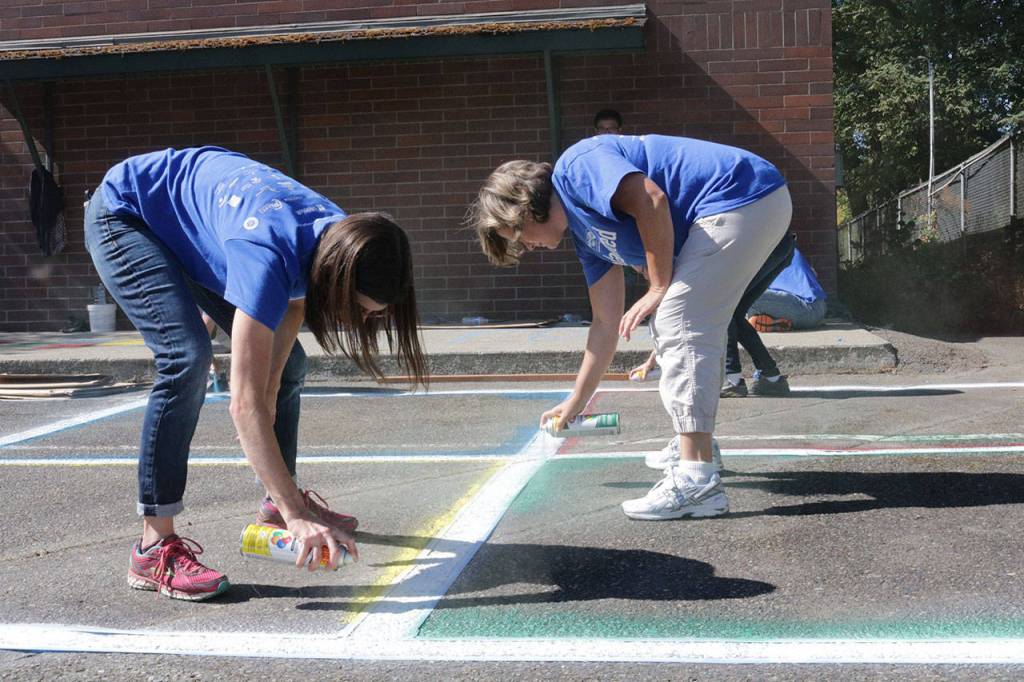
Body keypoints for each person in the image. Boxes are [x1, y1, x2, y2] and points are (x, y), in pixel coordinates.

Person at [85, 146, 428, 600]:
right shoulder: (265, 253)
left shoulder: (342, 238)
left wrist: (270, 393)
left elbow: (294, 307)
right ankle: (153, 548)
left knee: (291, 368)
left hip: (187, 221)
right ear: (342, 286)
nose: (364, 322)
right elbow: (243, 405)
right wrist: (296, 511)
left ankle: (276, 503)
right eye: (364, 312)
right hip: (127, 214)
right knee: (186, 357)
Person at [469, 134, 791, 521]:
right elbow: (605, 325)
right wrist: (576, 402)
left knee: (676, 316)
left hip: (742, 194)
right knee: (673, 320)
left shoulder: (577, 166)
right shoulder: (589, 238)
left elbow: (650, 199)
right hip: (739, 206)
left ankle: (695, 481)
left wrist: (658, 289)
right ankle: (699, 450)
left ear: (526, 208)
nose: (525, 247)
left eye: (518, 235)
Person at [746, 245, 827, 332]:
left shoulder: (766, 253)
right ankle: (772, 322)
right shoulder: (784, 247)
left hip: (807, 307)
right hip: (815, 307)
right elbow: (814, 273)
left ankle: (752, 319)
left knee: (743, 296)